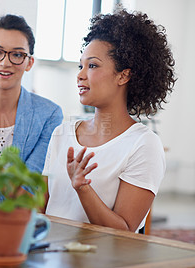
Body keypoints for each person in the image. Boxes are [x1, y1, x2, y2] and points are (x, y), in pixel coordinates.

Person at [43, 9, 176, 232]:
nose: (80, 75)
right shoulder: (62, 133)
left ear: (123, 75)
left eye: (92, 65)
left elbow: (124, 231)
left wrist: (83, 188)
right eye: (80, 66)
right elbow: (39, 209)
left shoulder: (143, 145)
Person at [0, 14, 63, 186]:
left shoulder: (49, 115)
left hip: (13, 213)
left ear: (29, 63)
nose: (5, 62)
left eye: (16, 54)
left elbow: (29, 190)